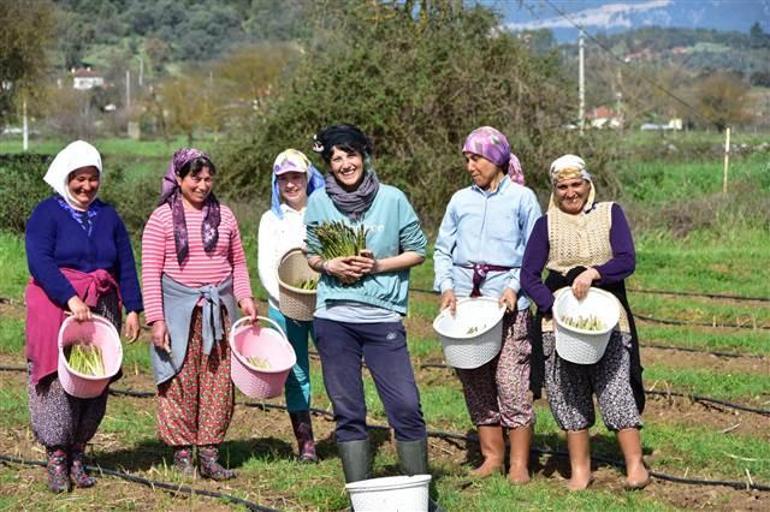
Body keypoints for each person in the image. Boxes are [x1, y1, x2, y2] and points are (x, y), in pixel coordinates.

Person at [304, 124, 431, 486]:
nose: (345, 164)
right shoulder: (318, 202)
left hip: (382, 317)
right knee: (348, 411)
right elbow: (311, 253)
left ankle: (417, 495)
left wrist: (377, 266)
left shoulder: (392, 199)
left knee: (405, 406)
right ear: (328, 165)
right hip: (334, 319)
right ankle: (361, 496)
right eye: (336, 158)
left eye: (350, 155)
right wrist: (330, 265)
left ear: (364, 155)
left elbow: (417, 251)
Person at [520, 154, 649, 491]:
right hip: (559, 322)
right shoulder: (545, 224)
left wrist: (596, 272)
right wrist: (552, 306)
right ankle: (580, 471)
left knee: (615, 387)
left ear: (588, 184)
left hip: (607, 316)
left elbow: (626, 260)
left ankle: (635, 466)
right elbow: (529, 275)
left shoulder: (610, 213)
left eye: (576, 184)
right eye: (562, 186)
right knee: (569, 393)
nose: (570, 192)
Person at [25, 140, 143, 492]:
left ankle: (78, 451)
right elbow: (40, 261)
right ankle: (57, 456)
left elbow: (125, 263)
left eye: (93, 178)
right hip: (58, 305)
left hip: (102, 305)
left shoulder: (108, 216)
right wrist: (71, 297)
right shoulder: (46, 214)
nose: (87, 186)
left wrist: (133, 308)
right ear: (65, 178)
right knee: (60, 380)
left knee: (94, 377)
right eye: (79, 178)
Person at [141, 148, 258, 480]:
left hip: (217, 312)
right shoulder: (161, 219)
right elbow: (150, 272)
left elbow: (237, 263)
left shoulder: (225, 215)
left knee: (218, 381)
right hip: (177, 310)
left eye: (208, 178)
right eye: (195, 178)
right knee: (177, 380)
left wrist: (245, 298)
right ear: (178, 178)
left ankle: (209, 454)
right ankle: (181, 455)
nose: (203, 185)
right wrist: (157, 320)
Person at [433, 126, 541, 483]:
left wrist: (513, 287)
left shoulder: (522, 199)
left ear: (496, 159)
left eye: (476, 158)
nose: (470, 166)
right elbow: (442, 249)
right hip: (466, 304)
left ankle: (519, 463)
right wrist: (447, 286)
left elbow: (533, 251)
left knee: (510, 380)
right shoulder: (459, 200)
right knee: (474, 377)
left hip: (507, 303)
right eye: (466, 159)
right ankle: (492, 456)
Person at [257, 149, 325, 462]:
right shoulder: (271, 220)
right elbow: (266, 265)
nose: (290, 184)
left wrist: (319, 298)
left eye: (295, 176)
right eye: (283, 178)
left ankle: (352, 431)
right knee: (295, 372)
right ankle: (306, 443)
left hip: (325, 304)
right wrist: (287, 300)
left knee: (338, 367)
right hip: (285, 306)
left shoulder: (324, 211)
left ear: (307, 177)